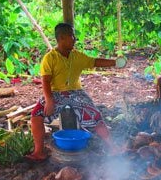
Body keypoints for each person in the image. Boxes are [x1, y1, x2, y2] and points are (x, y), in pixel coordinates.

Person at [27, 22, 122, 160]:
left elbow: (95, 62)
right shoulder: (50, 58)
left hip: (76, 93)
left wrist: (115, 62)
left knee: (95, 114)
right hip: (55, 94)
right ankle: (39, 152)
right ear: (61, 38)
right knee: (36, 115)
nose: (74, 39)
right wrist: (49, 100)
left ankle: (113, 148)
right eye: (71, 36)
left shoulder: (77, 56)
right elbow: (45, 81)